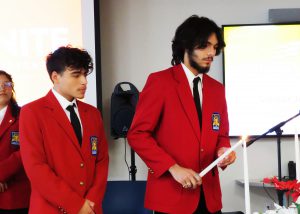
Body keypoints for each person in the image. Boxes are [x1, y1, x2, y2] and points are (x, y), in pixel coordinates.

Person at [127, 15, 236, 214]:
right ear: (186, 46)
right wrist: (173, 168)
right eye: (205, 46)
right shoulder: (160, 82)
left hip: (210, 199)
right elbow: (137, 135)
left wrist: (224, 151)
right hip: (172, 198)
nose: (212, 52)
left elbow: (221, 135)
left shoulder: (217, 89)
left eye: (215, 47)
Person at [20, 46, 109, 214]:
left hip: (91, 208)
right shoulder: (32, 112)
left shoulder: (93, 114)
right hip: (51, 209)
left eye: (85, 74)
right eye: (76, 75)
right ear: (55, 77)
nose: (84, 81)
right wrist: (76, 205)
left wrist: (92, 202)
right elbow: (36, 167)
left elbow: (102, 161)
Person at [0, 70, 30, 214]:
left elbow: (26, 151)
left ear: (12, 87)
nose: (2, 89)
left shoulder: (24, 115)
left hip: (15, 195)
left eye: (6, 84)